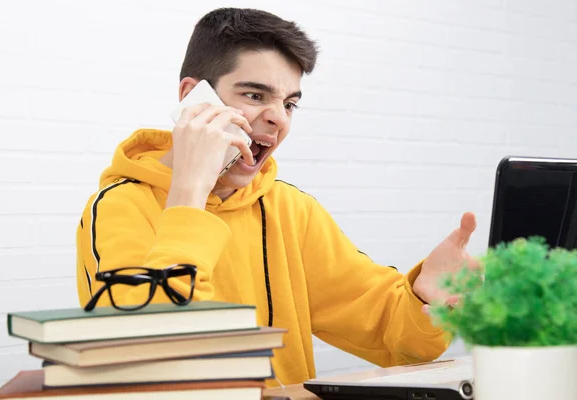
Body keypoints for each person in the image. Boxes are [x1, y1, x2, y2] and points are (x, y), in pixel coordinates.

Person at [76, 7, 479, 386]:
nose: (279, 118)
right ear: (191, 98)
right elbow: (153, 353)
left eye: (289, 103)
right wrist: (190, 189)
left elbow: (392, 335)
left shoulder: (290, 209)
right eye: (254, 95)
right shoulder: (119, 206)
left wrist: (425, 298)